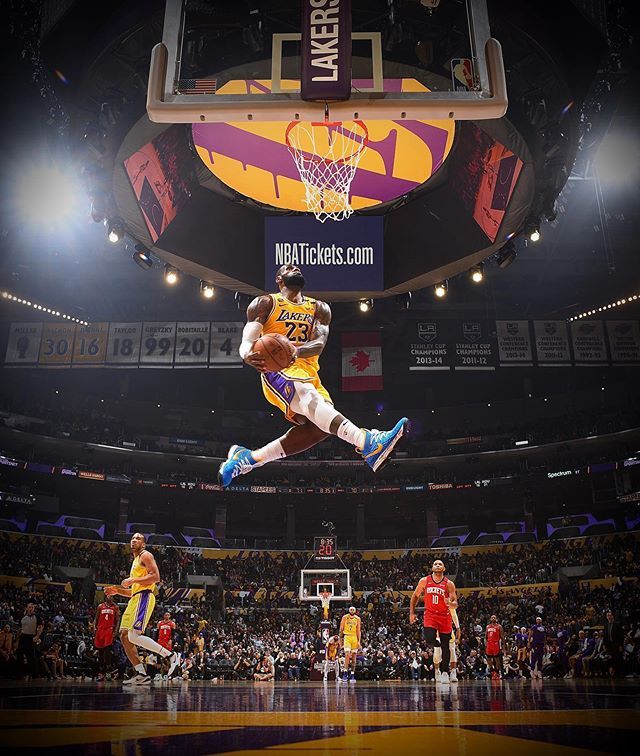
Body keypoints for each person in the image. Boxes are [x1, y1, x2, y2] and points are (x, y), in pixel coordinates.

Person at [218, 264, 408, 487]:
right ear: (278, 279)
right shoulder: (266, 303)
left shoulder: (319, 308)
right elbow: (247, 342)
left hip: (309, 372)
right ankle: (367, 442)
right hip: (278, 371)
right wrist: (247, 355)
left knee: (320, 428)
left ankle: (249, 458)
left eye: (297, 266)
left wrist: (295, 351)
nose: (294, 267)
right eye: (288, 267)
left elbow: (319, 343)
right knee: (311, 400)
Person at [104, 533, 180, 685]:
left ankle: (171, 656)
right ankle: (141, 673)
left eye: (138, 538)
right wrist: (117, 591)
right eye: (132, 538)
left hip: (144, 597)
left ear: (143, 544)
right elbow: (133, 591)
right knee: (125, 636)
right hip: (135, 598)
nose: (134, 540)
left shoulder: (146, 555)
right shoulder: (135, 561)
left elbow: (156, 577)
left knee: (134, 636)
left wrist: (133, 580)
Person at [410, 559, 458, 684]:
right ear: (432, 568)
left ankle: (445, 673)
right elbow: (415, 596)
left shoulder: (449, 584)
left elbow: (455, 604)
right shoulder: (424, 581)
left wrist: (450, 603)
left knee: (446, 645)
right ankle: (439, 646)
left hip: (444, 616)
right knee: (429, 639)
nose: (437, 565)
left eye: (440, 564)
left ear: (444, 568)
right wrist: (412, 612)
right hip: (430, 615)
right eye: (435, 564)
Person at [94, 594, 120, 681]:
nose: (111, 598)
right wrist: (94, 627)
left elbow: (117, 620)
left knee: (108, 652)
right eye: (110, 596)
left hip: (109, 630)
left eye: (112, 597)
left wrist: (115, 631)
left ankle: (108, 672)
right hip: (100, 630)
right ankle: (101, 673)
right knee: (100, 652)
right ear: (106, 597)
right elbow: (96, 618)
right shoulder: (100, 606)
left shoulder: (115, 607)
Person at [433, 602, 460, 683]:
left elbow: (454, 613)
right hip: (437, 630)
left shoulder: (447, 601)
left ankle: (453, 672)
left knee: (452, 650)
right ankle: (437, 671)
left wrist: (458, 627)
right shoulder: (434, 603)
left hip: (448, 629)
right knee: (437, 653)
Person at [16, 602, 44, 680]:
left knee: (31, 657)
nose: (31, 608)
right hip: (23, 637)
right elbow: (19, 628)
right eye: (29, 607)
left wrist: (37, 636)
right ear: (27, 608)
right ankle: (19, 674)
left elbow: (41, 626)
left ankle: (33, 674)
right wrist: (17, 639)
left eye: (32, 607)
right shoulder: (22, 616)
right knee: (19, 655)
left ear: (34, 609)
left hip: (31, 637)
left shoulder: (37, 616)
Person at [339, 606, 361, 683]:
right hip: (347, 637)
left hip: (354, 637)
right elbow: (341, 629)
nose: (352, 610)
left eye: (353, 609)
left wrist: (359, 641)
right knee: (347, 654)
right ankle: (345, 673)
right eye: (351, 609)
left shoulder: (358, 619)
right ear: (349, 610)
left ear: (355, 611)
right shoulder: (345, 617)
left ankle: (352, 674)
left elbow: (358, 631)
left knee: (354, 656)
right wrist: (340, 639)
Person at [604, 610, 624, 677]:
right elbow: (605, 635)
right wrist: (604, 644)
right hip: (609, 644)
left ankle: (620, 673)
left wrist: (621, 645)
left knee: (618, 658)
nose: (609, 617)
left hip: (617, 644)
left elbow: (621, 636)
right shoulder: (606, 625)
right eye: (607, 616)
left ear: (612, 616)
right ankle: (613, 673)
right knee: (611, 659)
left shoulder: (617, 624)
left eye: (610, 615)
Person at [485, 615, 504, 679]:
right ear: (490, 619)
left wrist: (503, 646)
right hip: (489, 644)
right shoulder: (487, 626)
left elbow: (502, 637)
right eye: (492, 617)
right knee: (488, 658)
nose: (493, 618)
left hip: (496, 644)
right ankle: (492, 671)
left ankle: (498, 672)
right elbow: (485, 637)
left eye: (494, 617)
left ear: (496, 619)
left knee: (497, 659)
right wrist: (486, 644)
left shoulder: (499, 626)